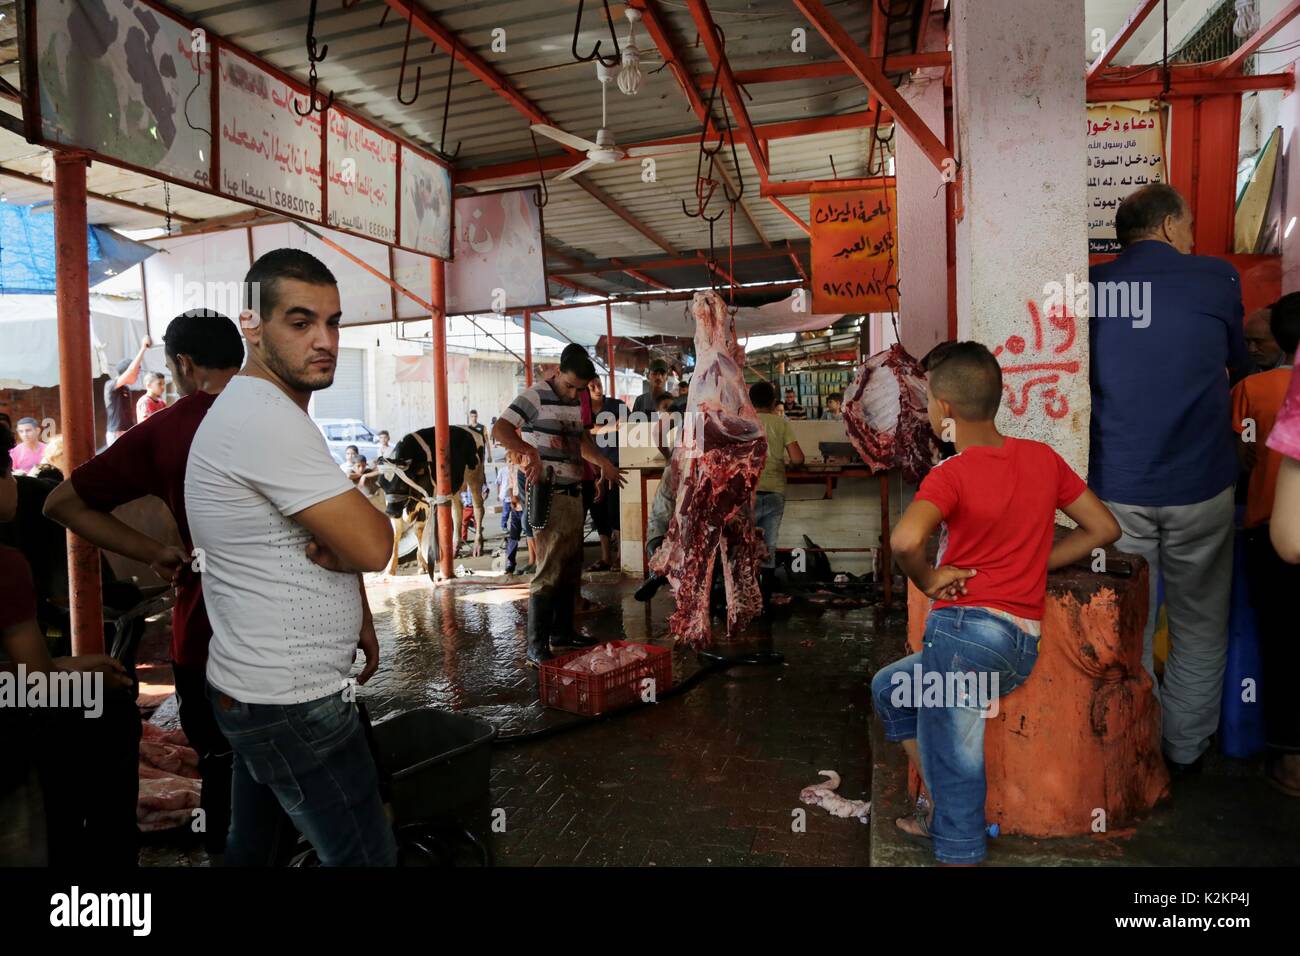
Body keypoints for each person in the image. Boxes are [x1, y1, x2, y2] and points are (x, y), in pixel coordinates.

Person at [184, 249, 396, 866]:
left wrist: (350, 600)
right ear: (251, 325)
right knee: (366, 858)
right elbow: (377, 545)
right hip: (291, 702)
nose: (324, 340)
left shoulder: (267, 411)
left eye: (333, 323)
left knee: (253, 852)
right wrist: (349, 540)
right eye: (300, 323)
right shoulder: (264, 419)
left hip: (258, 690)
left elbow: (333, 544)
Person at [872, 342, 1120, 865]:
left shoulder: (952, 473)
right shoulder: (1042, 459)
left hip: (964, 635)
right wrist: (1036, 562)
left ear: (944, 410)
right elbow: (1104, 528)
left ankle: (955, 841)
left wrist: (929, 577)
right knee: (891, 689)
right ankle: (937, 807)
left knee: (956, 756)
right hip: (1016, 643)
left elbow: (903, 542)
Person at [44, 309, 246, 858]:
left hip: (209, 634)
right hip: (295, 634)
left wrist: (156, 551)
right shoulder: (283, 418)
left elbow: (61, 503)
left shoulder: (165, 429)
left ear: (183, 363)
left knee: (224, 773)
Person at [1089, 183, 1250, 774]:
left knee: (1124, 626)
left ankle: (1126, 748)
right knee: (1200, 625)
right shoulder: (1216, 279)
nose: (1192, 238)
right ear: (1167, 226)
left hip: (1114, 491)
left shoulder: (1093, 286)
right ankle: (1181, 750)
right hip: (1202, 486)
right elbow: (1239, 359)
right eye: (1187, 226)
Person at [493, 344, 624, 666]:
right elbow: (500, 429)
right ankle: (536, 645)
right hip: (548, 491)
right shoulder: (535, 395)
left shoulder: (574, 400)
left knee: (569, 564)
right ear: (557, 372)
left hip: (573, 489)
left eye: (580, 389)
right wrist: (529, 451)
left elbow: (578, 439)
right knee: (549, 568)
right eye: (570, 386)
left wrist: (602, 463)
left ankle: (563, 633)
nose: (574, 393)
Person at [1232, 294, 1300, 796]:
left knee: (1282, 651)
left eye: (1260, 337)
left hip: (1270, 532)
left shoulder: (1254, 389)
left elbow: (1239, 457)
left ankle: (1291, 763)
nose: (1253, 346)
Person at [750, 382, 804, 601]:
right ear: (773, 403)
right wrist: (788, 466)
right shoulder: (781, 423)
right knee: (769, 544)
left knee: (745, 544)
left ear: (749, 402)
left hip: (748, 493)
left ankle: (744, 597)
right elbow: (798, 458)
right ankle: (765, 599)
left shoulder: (743, 423)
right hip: (774, 492)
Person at [585, 377, 626, 572]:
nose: (597, 389)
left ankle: (620, 556)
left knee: (615, 510)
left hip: (616, 464)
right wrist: (608, 428)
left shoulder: (616, 405)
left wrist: (595, 431)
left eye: (599, 384)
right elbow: (582, 432)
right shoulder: (581, 410)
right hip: (592, 467)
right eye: (592, 386)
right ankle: (605, 557)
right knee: (598, 512)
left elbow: (627, 424)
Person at [105, 335, 151, 445]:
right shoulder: (110, 385)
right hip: (116, 434)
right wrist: (143, 348)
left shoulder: (126, 388)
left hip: (126, 433)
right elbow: (131, 372)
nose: (137, 373)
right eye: (136, 370)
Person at [498, 452, 524, 575]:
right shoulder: (511, 468)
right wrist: (512, 497)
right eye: (508, 460)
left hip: (524, 506)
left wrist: (517, 497)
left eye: (510, 459)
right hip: (515, 507)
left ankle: (536, 562)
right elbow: (510, 486)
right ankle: (510, 564)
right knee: (513, 536)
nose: (510, 462)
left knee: (531, 535)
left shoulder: (523, 467)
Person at [1245, 307, 1285, 374]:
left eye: (1259, 342)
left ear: (1280, 339)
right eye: (1247, 341)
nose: (1252, 349)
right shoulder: (1244, 375)